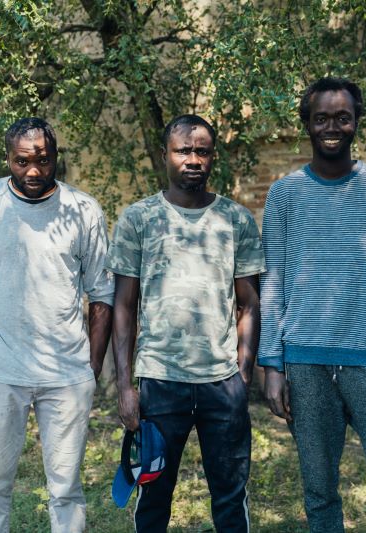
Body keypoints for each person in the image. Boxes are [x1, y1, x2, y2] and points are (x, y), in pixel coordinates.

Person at [259, 77, 366, 532]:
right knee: (319, 495)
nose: (331, 127)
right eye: (321, 118)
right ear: (308, 125)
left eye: (342, 117)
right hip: (305, 363)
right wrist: (272, 364)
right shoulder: (284, 194)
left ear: (356, 123)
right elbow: (272, 283)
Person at [0, 117, 114, 533]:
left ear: (55, 158)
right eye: (22, 162)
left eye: (43, 160)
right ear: (8, 159)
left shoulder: (83, 209)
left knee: (66, 489)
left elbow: (102, 291)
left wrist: (92, 366)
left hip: (67, 375)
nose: (34, 171)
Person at [108, 114, 265, 532]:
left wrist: (243, 374)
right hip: (160, 382)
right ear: (165, 156)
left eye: (202, 151)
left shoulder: (237, 220)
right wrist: (126, 386)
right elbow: (123, 306)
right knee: (153, 496)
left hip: (222, 383)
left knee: (231, 498)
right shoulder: (138, 219)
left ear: (213, 157)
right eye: (183, 150)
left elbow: (249, 304)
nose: (193, 159)